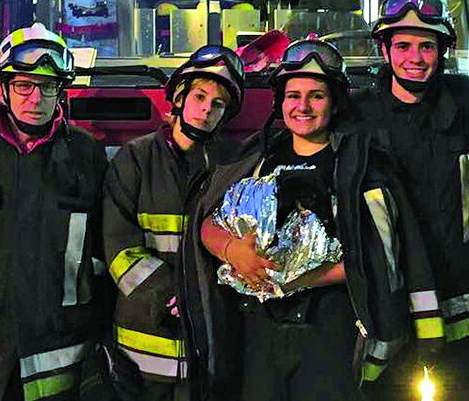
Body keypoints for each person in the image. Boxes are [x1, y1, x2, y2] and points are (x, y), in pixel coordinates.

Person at [187, 38, 439, 401]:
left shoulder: (361, 165)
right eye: (293, 96)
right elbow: (207, 222)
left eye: (316, 96)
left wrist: (291, 278)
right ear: (280, 102)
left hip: (330, 331)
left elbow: (377, 255)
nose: (302, 106)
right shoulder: (254, 159)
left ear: (335, 103)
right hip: (258, 334)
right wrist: (231, 250)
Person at [0, 22, 108, 400]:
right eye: (23, 85)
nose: (36, 98)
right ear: (2, 89)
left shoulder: (86, 155)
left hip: (58, 338)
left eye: (48, 86)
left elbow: (100, 246)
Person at [346, 0, 469, 400]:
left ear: (443, 50)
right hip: (390, 309)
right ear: (384, 48)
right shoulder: (354, 116)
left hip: (463, 304)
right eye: (403, 45)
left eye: (427, 46)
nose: (415, 57)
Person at [102, 45, 246, 400]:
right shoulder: (135, 158)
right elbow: (118, 248)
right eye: (199, 96)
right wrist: (173, 293)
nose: (205, 109)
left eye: (218, 104)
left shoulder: (232, 165)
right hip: (146, 345)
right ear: (179, 98)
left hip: (208, 348)